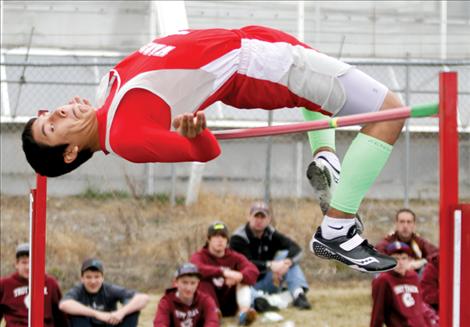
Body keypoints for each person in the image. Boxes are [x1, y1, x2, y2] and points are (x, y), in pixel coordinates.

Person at [22, 25, 404, 272]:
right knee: (390, 112)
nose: (56, 113)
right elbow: (204, 152)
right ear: (70, 152)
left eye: (49, 115)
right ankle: (337, 230)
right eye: (52, 127)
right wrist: (194, 132)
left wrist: (79, 117)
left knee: (322, 74)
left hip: (252, 42)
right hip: (257, 66)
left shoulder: (107, 96)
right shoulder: (124, 137)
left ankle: (327, 160)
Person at [230, 201, 312, 311]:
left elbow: (296, 248)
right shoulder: (238, 237)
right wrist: (270, 265)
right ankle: (259, 302)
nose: (259, 220)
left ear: (268, 219)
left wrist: (287, 263)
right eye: (256, 216)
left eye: (262, 217)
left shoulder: (271, 233)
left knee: (286, 256)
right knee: (242, 279)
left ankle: (298, 295)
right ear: (249, 217)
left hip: (268, 280)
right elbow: (246, 263)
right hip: (246, 284)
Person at [190, 221, 259, 326]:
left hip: (230, 301)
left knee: (243, 280)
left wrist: (240, 276)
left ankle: (243, 314)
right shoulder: (200, 256)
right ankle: (212, 313)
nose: (220, 240)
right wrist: (224, 272)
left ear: (227, 240)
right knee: (202, 280)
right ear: (208, 239)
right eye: (216, 236)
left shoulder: (235, 256)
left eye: (223, 236)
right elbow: (195, 268)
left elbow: (253, 270)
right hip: (209, 301)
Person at [59, 258, 149, 327]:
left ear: (102, 278)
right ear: (82, 279)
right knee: (75, 315)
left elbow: (143, 298)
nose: (93, 281)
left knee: (132, 311)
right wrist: (97, 314)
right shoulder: (78, 290)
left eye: (97, 277)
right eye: (88, 277)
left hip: (109, 324)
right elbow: (64, 304)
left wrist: (121, 312)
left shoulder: (110, 289)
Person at [370, 241, 439, 327]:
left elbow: (420, 307)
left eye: (404, 258)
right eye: (396, 259)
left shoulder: (413, 277)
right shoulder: (383, 280)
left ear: (409, 260)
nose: (400, 263)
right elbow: (378, 312)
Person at [0, 243, 69, 327]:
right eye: (24, 262)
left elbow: (61, 318)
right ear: (16, 264)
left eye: (32, 262)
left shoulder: (50, 283)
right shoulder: (5, 284)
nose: (28, 267)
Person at [153, 262, 219, 327]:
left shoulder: (206, 300)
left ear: (198, 283)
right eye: (184, 282)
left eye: (193, 283)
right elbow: (160, 323)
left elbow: (212, 322)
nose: (188, 288)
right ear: (176, 282)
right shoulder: (166, 302)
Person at [375, 208, 438, 273]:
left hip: (413, 278)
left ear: (414, 224)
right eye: (402, 222)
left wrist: (421, 262)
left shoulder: (419, 241)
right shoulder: (388, 241)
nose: (405, 226)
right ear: (396, 224)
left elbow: (436, 254)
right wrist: (398, 265)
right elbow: (377, 255)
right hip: (391, 277)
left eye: (409, 222)